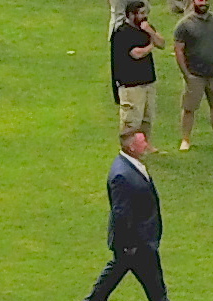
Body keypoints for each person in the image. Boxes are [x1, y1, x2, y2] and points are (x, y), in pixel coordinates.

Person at [84, 128, 168, 301]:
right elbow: (121, 212)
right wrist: (128, 245)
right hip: (137, 244)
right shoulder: (122, 175)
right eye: (142, 141)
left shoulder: (130, 166)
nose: (146, 144)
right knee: (157, 293)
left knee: (111, 280)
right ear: (131, 147)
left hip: (136, 244)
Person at [172, 0, 213, 151]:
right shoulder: (184, 25)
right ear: (193, 2)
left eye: (206, 0)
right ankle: (185, 139)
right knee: (189, 108)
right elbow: (178, 50)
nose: (204, 3)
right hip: (194, 74)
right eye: (200, 0)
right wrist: (186, 74)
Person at [111, 0, 164, 139]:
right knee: (132, 120)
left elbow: (162, 43)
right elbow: (136, 54)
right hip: (131, 84)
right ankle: (128, 147)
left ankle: (147, 146)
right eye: (140, 13)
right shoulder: (122, 33)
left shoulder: (146, 28)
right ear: (130, 15)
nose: (144, 16)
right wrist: (151, 46)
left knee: (147, 118)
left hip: (148, 80)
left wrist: (150, 32)